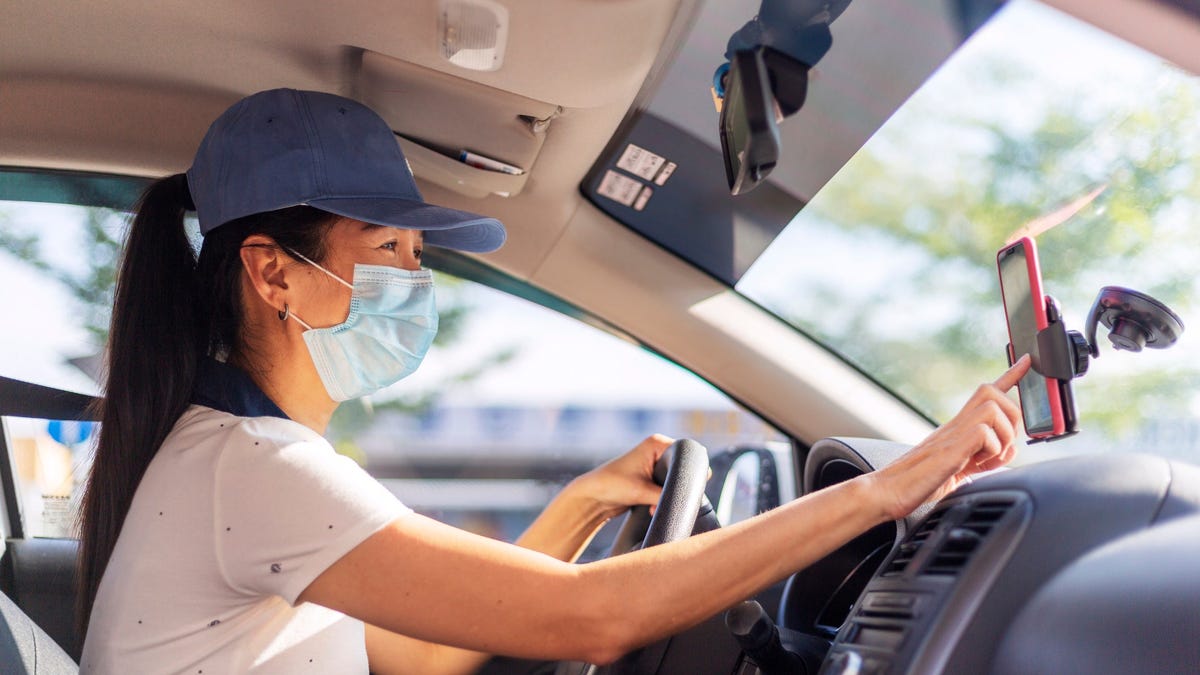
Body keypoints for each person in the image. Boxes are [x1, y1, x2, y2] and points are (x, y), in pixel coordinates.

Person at [77, 88, 1030, 674]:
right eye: (387, 250)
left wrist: (579, 505)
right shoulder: (254, 467)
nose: (413, 282)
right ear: (273, 271)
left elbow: (416, 656)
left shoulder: (240, 456)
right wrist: (885, 489)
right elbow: (598, 619)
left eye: (417, 255)